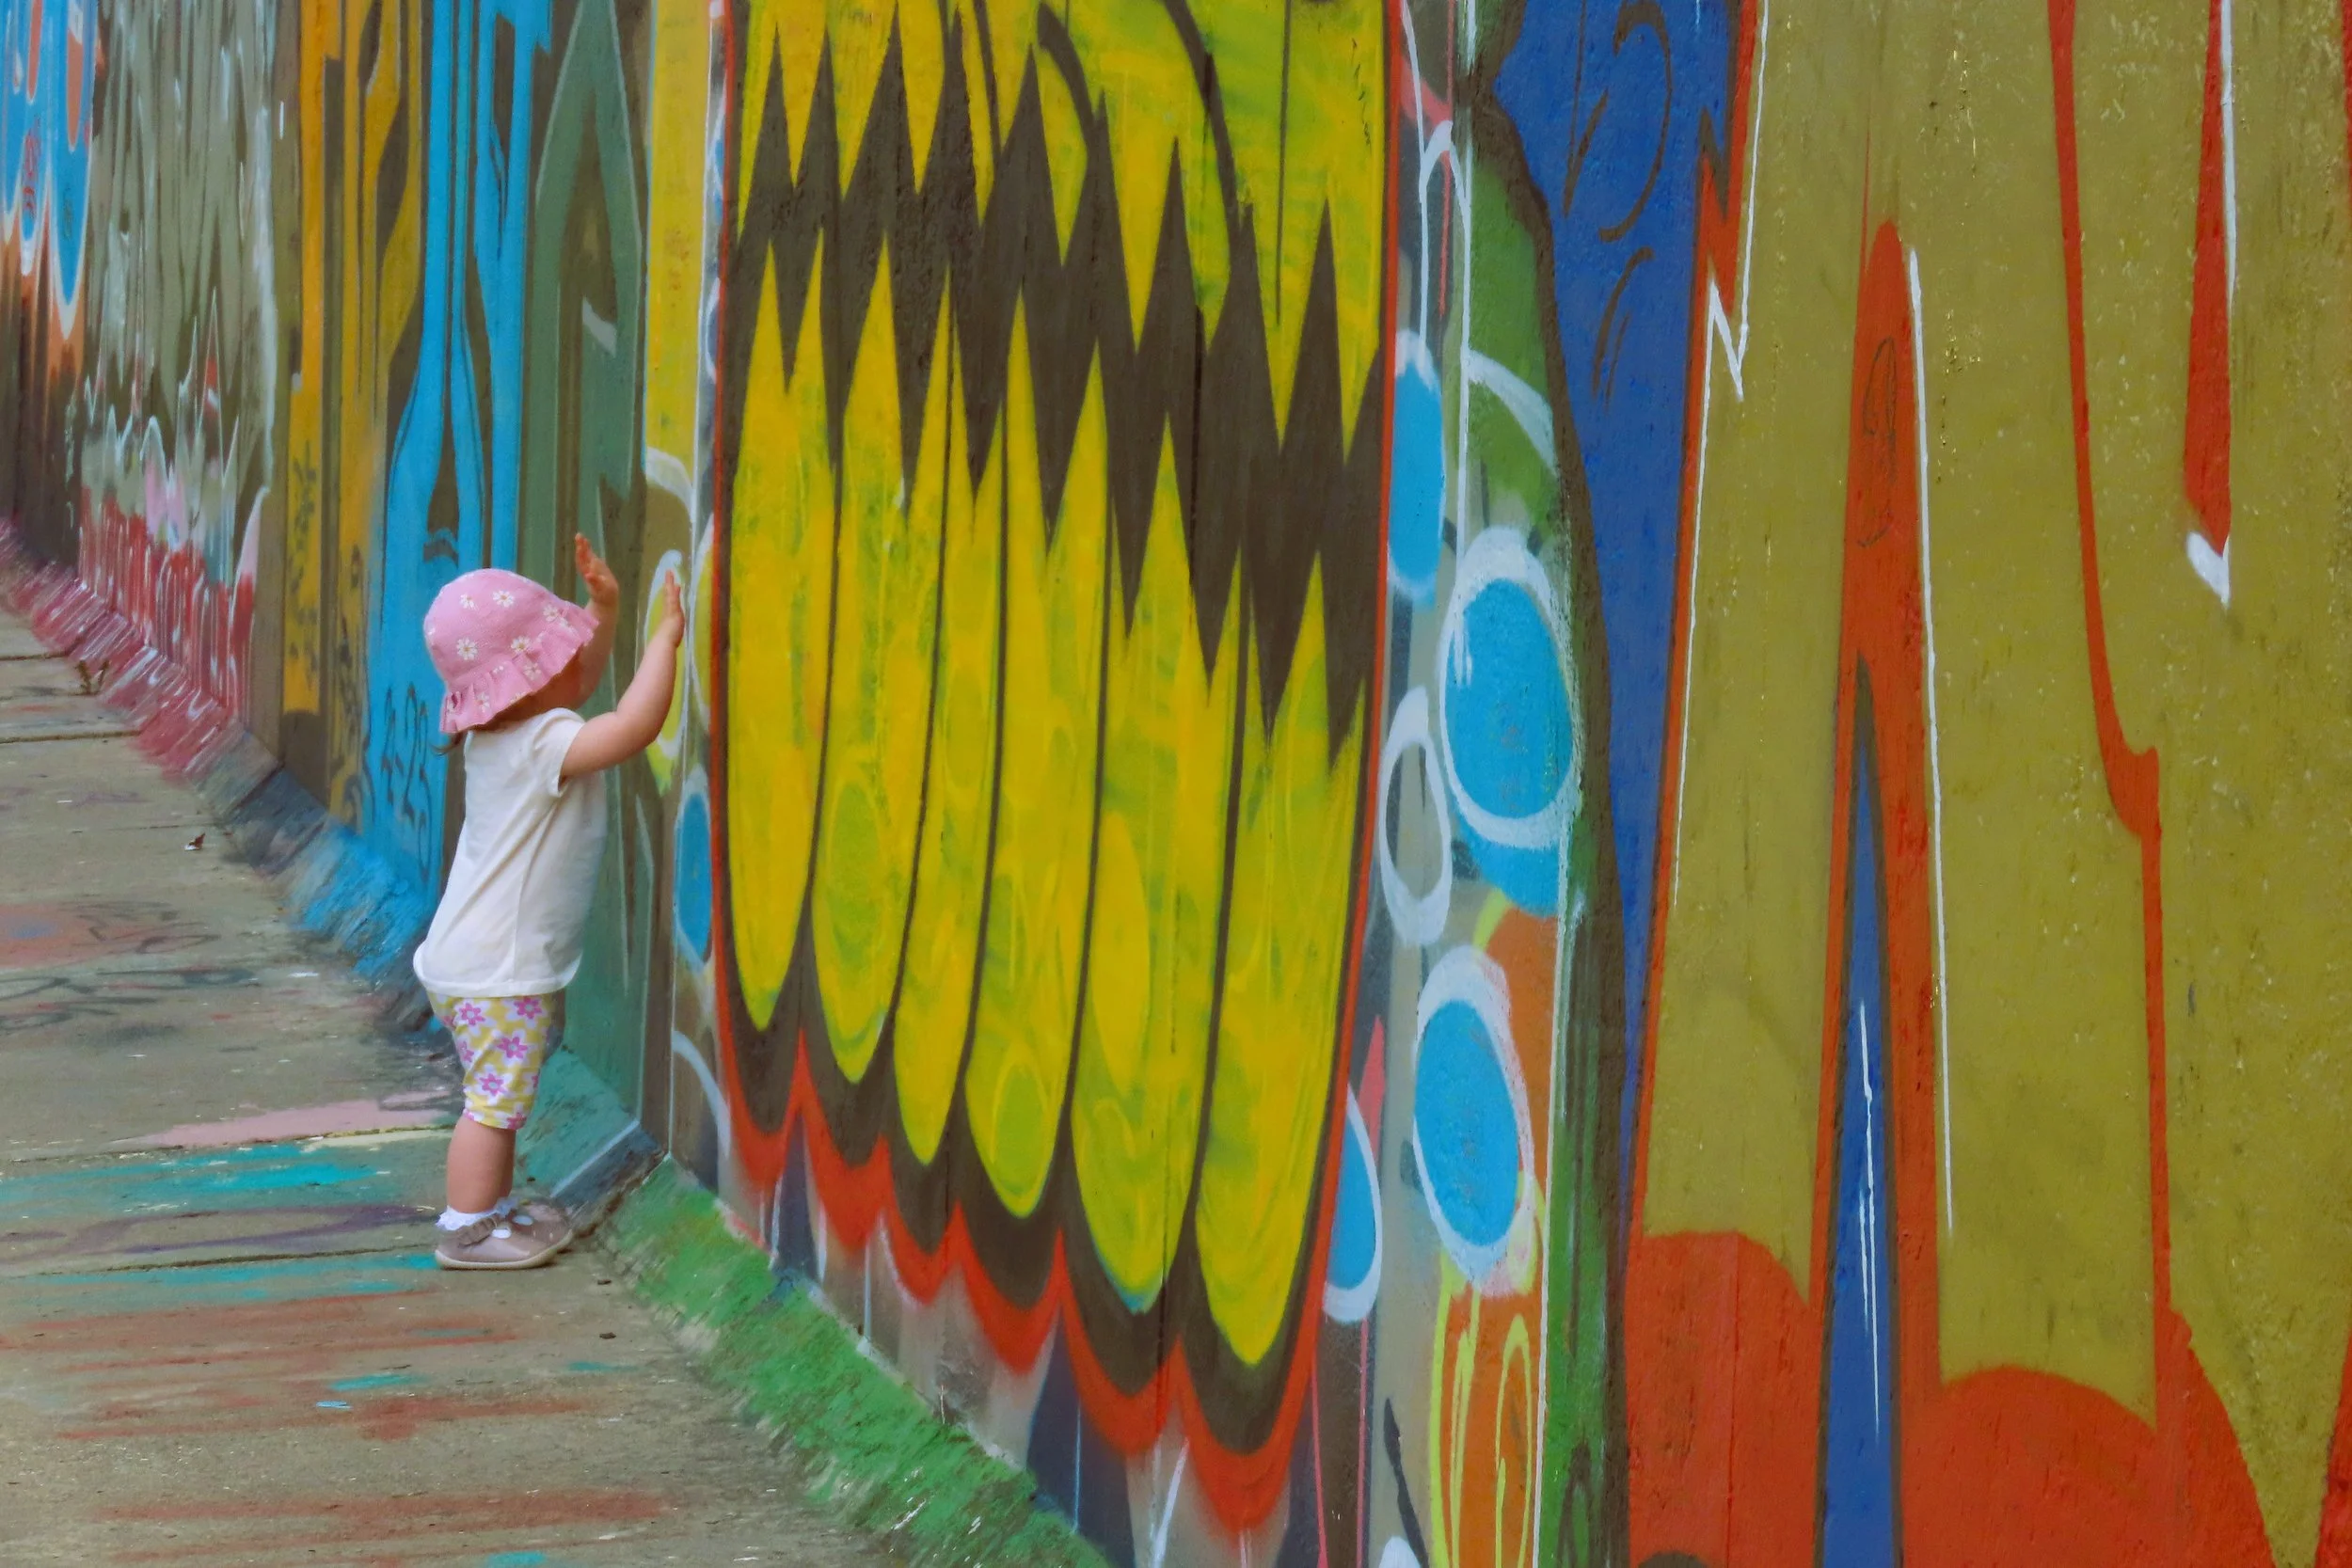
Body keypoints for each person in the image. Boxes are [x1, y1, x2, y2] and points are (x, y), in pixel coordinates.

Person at [411, 534, 683, 1270]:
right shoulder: (544, 746)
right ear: (529, 678)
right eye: (557, 652)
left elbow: (579, 686)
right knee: (491, 1105)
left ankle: (492, 1213)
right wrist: (664, 642)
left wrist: (605, 608)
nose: (574, 660)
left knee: (498, 1096)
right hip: (496, 971)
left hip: (472, 961)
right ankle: (467, 1229)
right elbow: (631, 726)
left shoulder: (505, 737)